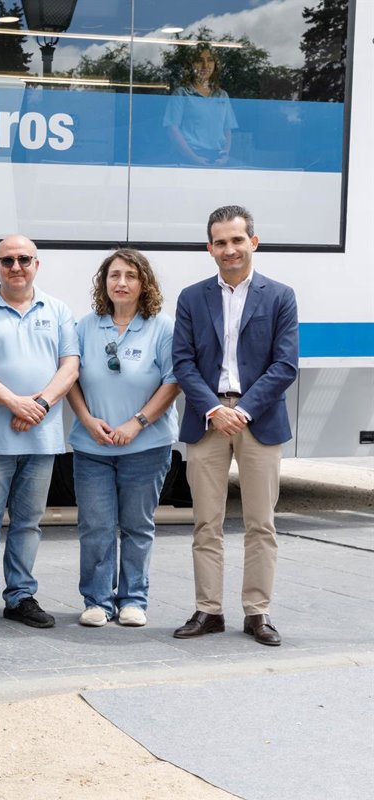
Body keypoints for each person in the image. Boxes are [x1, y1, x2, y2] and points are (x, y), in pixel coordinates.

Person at [171, 205, 298, 647]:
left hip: (258, 418)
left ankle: (257, 612)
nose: (230, 249)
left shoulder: (280, 296)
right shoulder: (191, 297)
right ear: (210, 248)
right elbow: (183, 363)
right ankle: (208, 610)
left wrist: (242, 410)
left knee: (261, 524)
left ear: (253, 242)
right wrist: (214, 408)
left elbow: (285, 364)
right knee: (206, 523)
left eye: (237, 240)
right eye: (221, 242)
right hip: (207, 419)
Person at [0, 235, 79, 631]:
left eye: (23, 259)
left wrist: (38, 405)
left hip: (41, 437)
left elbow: (70, 366)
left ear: (36, 264)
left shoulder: (58, 310)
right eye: (6, 260)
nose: (15, 267)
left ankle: (21, 596)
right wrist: (14, 403)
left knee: (28, 522)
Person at [66, 249, 180, 628]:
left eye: (131, 276)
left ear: (144, 283)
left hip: (146, 445)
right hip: (92, 446)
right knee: (96, 526)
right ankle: (97, 601)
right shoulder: (86, 326)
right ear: (104, 283)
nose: (121, 283)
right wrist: (86, 420)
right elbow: (70, 377)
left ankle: (133, 600)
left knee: (136, 525)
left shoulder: (162, 327)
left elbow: (173, 381)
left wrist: (137, 422)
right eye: (114, 275)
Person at [163, 44, 238, 168]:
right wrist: (194, 158)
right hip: (188, 158)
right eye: (199, 60)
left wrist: (225, 156)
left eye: (210, 60)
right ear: (191, 65)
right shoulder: (182, 93)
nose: (205, 65)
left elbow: (227, 130)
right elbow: (172, 129)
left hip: (218, 158)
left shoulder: (222, 95)